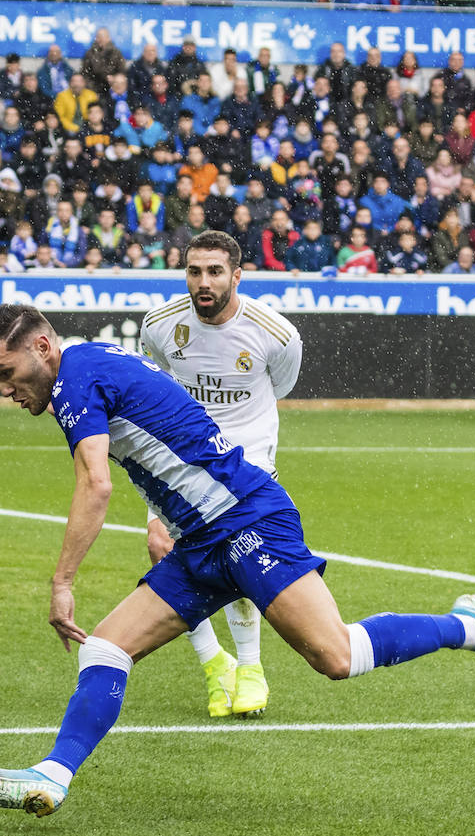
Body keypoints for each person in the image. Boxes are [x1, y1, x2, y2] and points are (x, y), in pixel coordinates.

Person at [0, 289, 475, 817]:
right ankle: (51, 776)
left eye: (7, 373)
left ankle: (469, 626)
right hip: (201, 540)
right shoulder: (86, 363)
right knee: (108, 647)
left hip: (247, 518)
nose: (7, 390)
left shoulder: (73, 379)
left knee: (336, 657)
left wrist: (63, 581)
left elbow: (96, 484)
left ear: (42, 346)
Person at [136, 230, 301, 718]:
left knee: (237, 552)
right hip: (183, 451)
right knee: (166, 551)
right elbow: (157, 390)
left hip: (248, 454)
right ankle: (215, 664)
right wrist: (151, 510)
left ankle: (250, 668)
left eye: (214, 271)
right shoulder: (160, 327)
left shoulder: (276, 333)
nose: (203, 281)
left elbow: (281, 385)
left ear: (237, 274)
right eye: (193, 271)